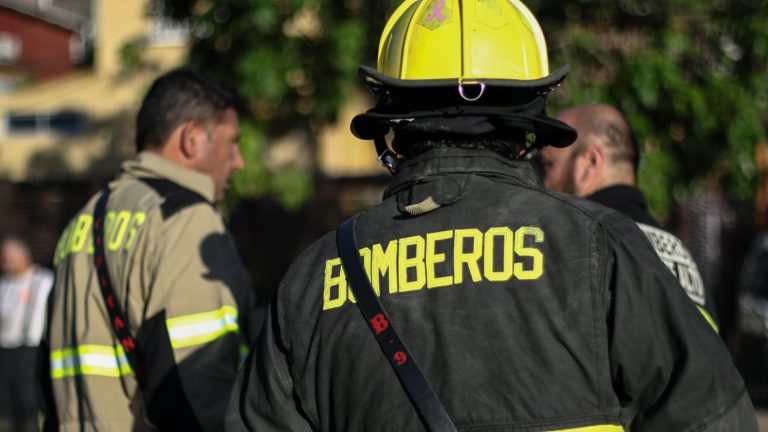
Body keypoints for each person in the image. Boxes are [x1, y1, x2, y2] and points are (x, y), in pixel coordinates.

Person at [227, 1, 756, 431]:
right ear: (530, 118)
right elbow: (714, 418)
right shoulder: (601, 249)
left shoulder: (313, 282)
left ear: (392, 126)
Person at [41, 69, 259, 431]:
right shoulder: (187, 220)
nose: (238, 161)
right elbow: (193, 388)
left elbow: (45, 382)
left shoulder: (82, 220)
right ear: (191, 138)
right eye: (231, 142)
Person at [539, 103, 717, 329]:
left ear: (590, 162)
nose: (541, 181)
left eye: (547, 164)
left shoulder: (577, 247)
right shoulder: (683, 257)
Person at [0, 236, 53, 432]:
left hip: (31, 350)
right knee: (5, 405)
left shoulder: (44, 280)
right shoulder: (4, 284)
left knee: (29, 403)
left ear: (22, 255)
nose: (4, 261)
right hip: (5, 351)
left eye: (7, 256)